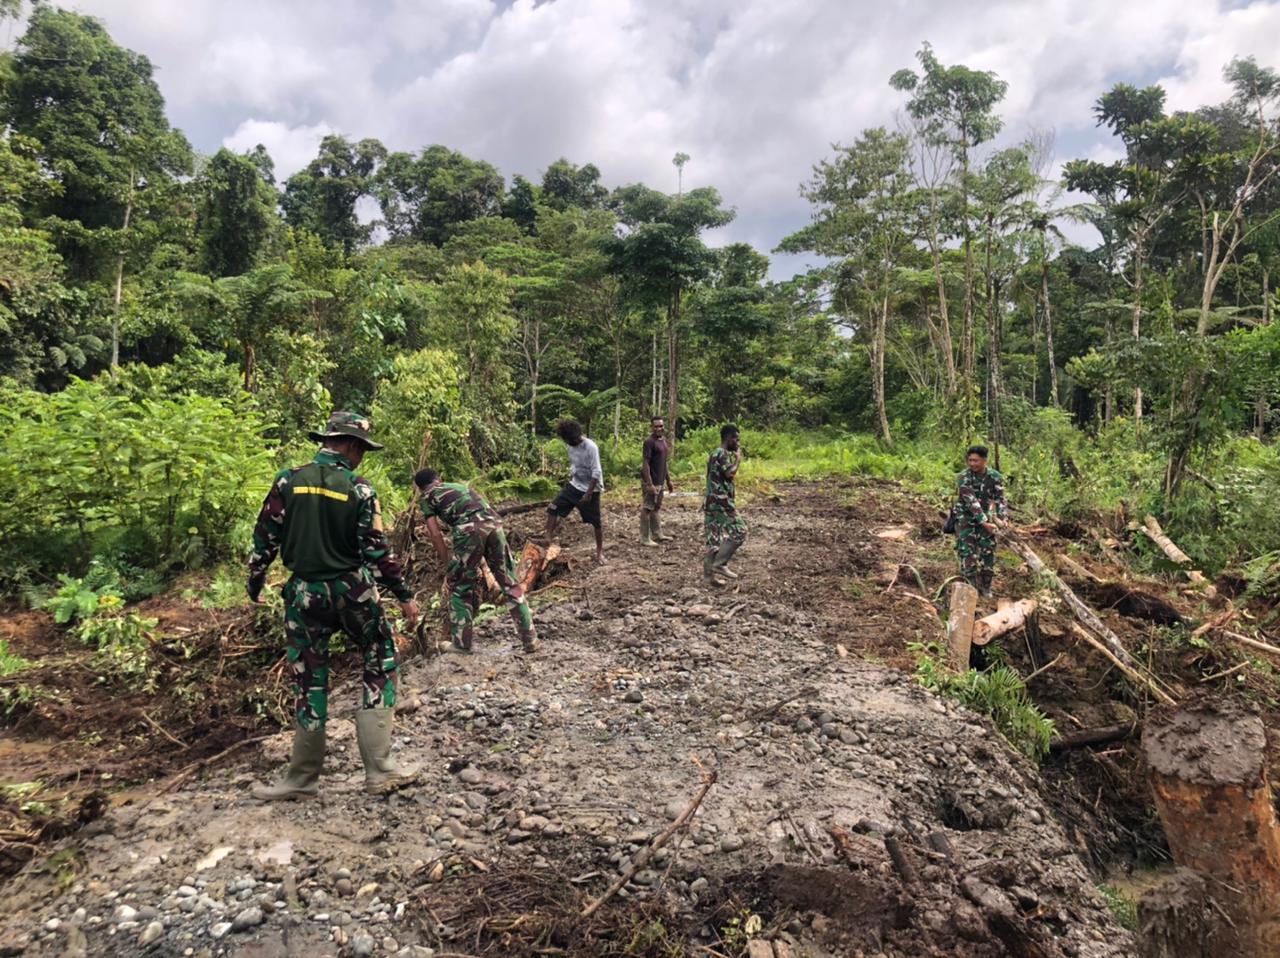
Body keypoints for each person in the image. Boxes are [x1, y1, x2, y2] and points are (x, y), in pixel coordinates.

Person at [246, 411, 421, 800]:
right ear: (352, 445)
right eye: (362, 450)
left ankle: (301, 779)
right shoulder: (359, 489)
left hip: (304, 594)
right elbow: (375, 551)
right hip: (352, 591)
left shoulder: (288, 480)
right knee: (379, 657)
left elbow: (265, 538)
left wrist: (254, 582)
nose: (362, 458)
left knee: (308, 679)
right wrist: (404, 595)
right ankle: (380, 770)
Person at [414, 469, 538, 654]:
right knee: (510, 582)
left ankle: (461, 644)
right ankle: (530, 639)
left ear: (420, 487)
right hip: (494, 525)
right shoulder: (457, 487)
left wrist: (447, 562)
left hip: (469, 530)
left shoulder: (426, 497)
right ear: (439, 479)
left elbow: (435, 532)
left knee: (459, 586)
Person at [544, 419, 606, 564]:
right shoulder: (570, 446)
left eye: (571, 440)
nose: (569, 443)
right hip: (575, 485)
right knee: (553, 507)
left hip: (592, 489)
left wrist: (588, 493)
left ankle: (599, 552)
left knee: (596, 523)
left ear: (576, 436)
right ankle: (547, 538)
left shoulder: (591, 447)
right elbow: (575, 466)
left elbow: (596, 472)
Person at [953, 444, 1009, 597]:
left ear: (984, 461)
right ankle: (970, 587)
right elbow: (971, 502)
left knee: (988, 550)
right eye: (970, 460)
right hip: (966, 518)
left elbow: (1000, 499)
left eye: (976, 461)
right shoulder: (964, 477)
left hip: (986, 518)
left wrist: (1002, 518)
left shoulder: (995, 477)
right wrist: (985, 522)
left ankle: (986, 587)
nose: (972, 464)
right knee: (967, 552)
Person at [703, 424, 748, 586]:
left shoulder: (713, 453)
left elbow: (711, 476)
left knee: (713, 538)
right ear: (728, 438)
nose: (738, 442)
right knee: (740, 531)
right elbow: (730, 473)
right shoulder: (722, 454)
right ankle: (720, 564)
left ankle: (708, 577)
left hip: (711, 501)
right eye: (736, 439)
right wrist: (738, 460)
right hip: (721, 501)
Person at [640, 416, 675, 547]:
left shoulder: (663, 441)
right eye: (656, 426)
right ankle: (644, 537)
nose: (659, 429)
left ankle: (657, 533)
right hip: (651, 480)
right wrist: (649, 484)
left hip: (660, 480)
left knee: (656, 508)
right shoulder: (649, 442)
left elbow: (664, 462)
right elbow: (646, 464)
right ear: (652, 427)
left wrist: (669, 480)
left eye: (660, 426)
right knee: (647, 508)